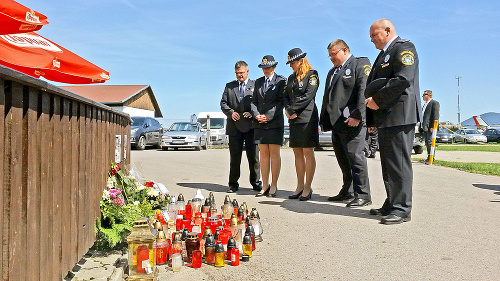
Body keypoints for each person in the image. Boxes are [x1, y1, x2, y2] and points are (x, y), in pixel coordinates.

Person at [365, 19, 421, 224]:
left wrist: (378, 100)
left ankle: (402, 208)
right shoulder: (383, 55)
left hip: (400, 114)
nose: (371, 40)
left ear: (388, 31)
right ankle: (392, 201)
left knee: (398, 162)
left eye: (374, 35)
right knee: (388, 163)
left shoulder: (404, 48)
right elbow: (373, 85)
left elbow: (403, 78)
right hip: (386, 116)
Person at [319, 39, 372, 207]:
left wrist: (358, 115)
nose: (332, 58)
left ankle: (363, 195)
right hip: (338, 123)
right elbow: (328, 97)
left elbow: (364, 90)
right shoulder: (332, 71)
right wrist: (324, 120)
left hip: (353, 122)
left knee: (356, 158)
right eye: (330, 56)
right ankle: (348, 191)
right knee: (343, 159)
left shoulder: (360, 64)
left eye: (334, 54)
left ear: (345, 50)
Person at [220, 61, 262, 193]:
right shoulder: (229, 86)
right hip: (234, 128)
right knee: (235, 157)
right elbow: (223, 103)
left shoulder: (255, 85)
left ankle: (256, 183)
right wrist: (231, 113)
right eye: (237, 73)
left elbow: (260, 102)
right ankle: (233, 184)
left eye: (242, 73)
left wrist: (252, 113)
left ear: (247, 72)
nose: (240, 75)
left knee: (254, 157)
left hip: (251, 127)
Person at [284, 48, 320, 201]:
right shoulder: (291, 78)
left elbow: (308, 95)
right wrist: (288, 110)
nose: (291, 65)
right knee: (297, 153)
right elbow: (285, 96)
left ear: (300, 60)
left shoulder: (312, 75)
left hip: (307, 118)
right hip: (294, 119)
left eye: (292, 62)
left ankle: (307, 187)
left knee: (307, 152)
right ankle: (299, 186)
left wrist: (293, 109)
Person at [251, 55, 287, 197]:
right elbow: (253, 101)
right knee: (263, 155)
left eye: (268, 67)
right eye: (263, 68)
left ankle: (274, 185)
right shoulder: (258, 82)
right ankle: (264, 185)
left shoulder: (281, 81)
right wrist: (256, 114)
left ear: (274, 67)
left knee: (274, 154)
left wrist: (269, 115)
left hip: (274, 122)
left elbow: (281, 102)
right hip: (259, 123)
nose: (266, 70)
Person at [421, 90, 440, 162]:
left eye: (424, 94)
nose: (422, 96)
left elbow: (435, 116)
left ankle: (431, 157)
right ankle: (429, 156)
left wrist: (433, 127)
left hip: (430, 127)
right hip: (425, 127)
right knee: (427, 142)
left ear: (428, 95)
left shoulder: (434, 103)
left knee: (430, 142)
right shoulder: (424, 105)